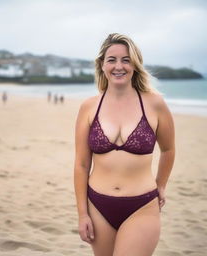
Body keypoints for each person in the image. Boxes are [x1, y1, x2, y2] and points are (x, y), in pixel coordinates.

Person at [74, 33, 175, 256]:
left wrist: (161, 184)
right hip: (97, 207)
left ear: (135, 65)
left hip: (142, 206)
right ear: (102, 65)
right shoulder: (89, 107)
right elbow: (81, 164)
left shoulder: (155, 104)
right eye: (112, 60)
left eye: (126, 60)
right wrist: (83, 214)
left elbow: (168, 150)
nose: (119, 66)